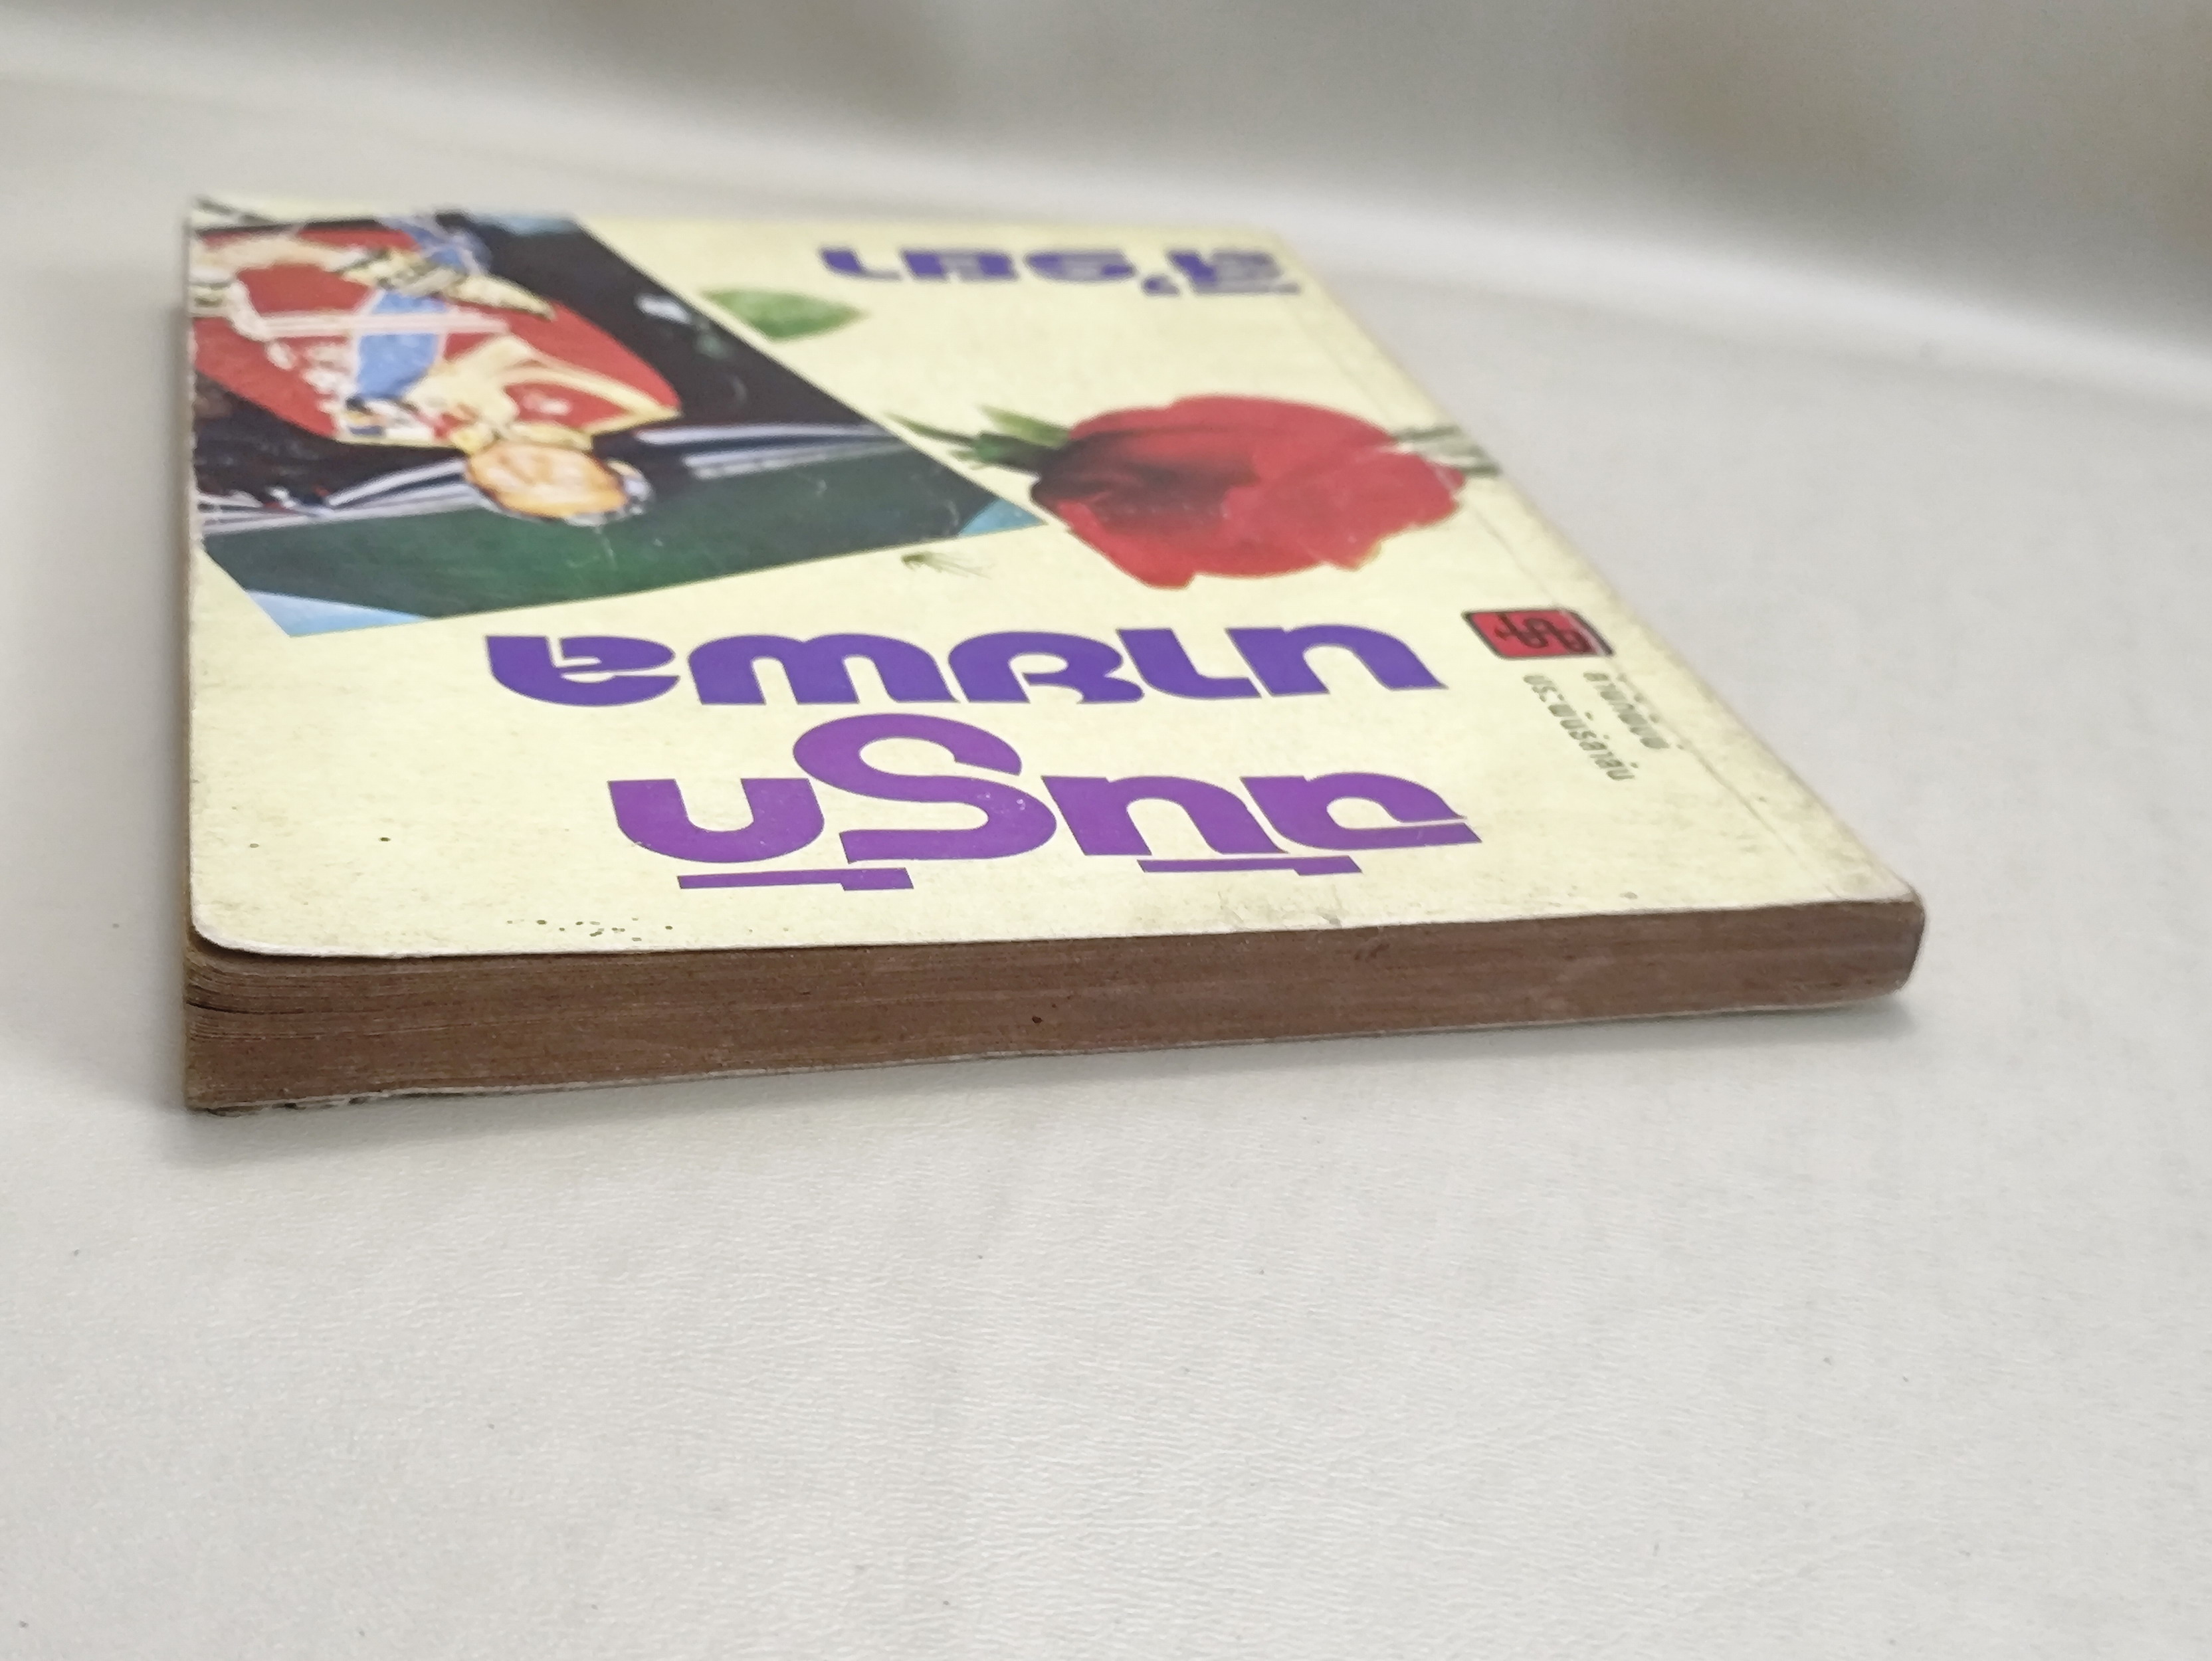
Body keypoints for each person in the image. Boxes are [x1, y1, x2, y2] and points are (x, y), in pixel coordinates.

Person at [190, 217, 677, 523]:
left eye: (507, 489)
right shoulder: (628, 399)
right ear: (615, 467)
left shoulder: (354, 426)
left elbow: (213, 346)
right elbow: (512, 306)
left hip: (215, 243)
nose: (527, 473)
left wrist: (206, 275)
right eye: (568, 482)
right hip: (365, 224)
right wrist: (307, 254)